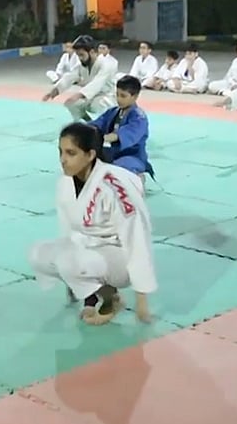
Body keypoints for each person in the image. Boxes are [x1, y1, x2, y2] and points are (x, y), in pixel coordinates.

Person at [27, 123, 156, 325]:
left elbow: (136, 236)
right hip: (90, 252)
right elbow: (68, 231)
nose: (63, 159)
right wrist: (75, 284)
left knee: (70, 261)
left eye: (71, 153)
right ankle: (99, 296)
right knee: (39, 254)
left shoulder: (113, 186)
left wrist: (142, 298)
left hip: (119, 257)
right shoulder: (65, 183)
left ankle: (111, 301)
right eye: (60, 152)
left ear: (90, 155)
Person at [87, 75, 153, 182]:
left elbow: (122, 135)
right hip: (113, 153)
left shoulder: (139, 117)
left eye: (123, 96)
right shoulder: (113, 111)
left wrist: (101, 138)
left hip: (133, 157)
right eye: (117, 95)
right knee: (87, 157)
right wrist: (81, 131)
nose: (118, 99)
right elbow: (98, 124)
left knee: (116, 169)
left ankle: (137, 177)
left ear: (135, 96)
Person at [42, 35, 119, 121]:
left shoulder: (107, 64)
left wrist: (78, 95)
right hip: (91, 96)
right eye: (78, 55)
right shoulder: (82, 65)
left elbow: (97, 83)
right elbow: (69, 77)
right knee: (72, 104)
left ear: (92, 52)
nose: (80, 58)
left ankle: (109, 123)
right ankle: (87, 123)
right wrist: (55, 90)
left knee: (97, 105)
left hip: (108, 97)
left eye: (82, 55)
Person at [205, 41, 237, 107]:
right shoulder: (235, 60)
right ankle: (225, 92)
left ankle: (224, 93)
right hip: (231, 84)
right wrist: (233, 83)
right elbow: (229, 75)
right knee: (212, 85)